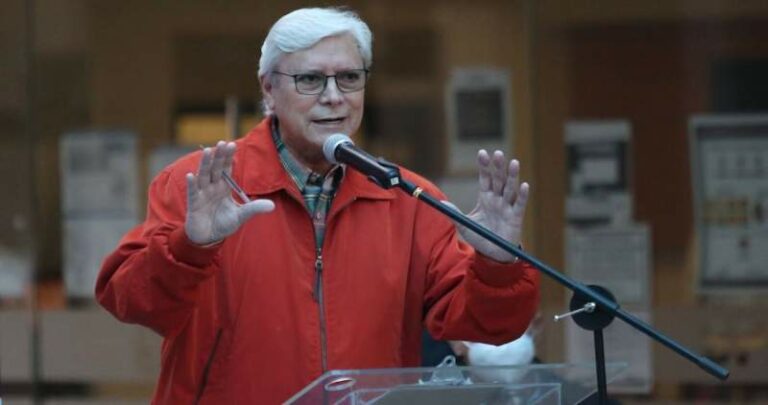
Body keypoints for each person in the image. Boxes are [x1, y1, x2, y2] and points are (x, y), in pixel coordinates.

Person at [95, 7, 539, 404]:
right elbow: (130, 303)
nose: (333, 96)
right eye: (310, 80)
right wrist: (190, 247)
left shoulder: (406, 197)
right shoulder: (202, 183)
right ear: (269, 90)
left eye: (349, 78)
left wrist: (497, 264)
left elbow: (486, 328)